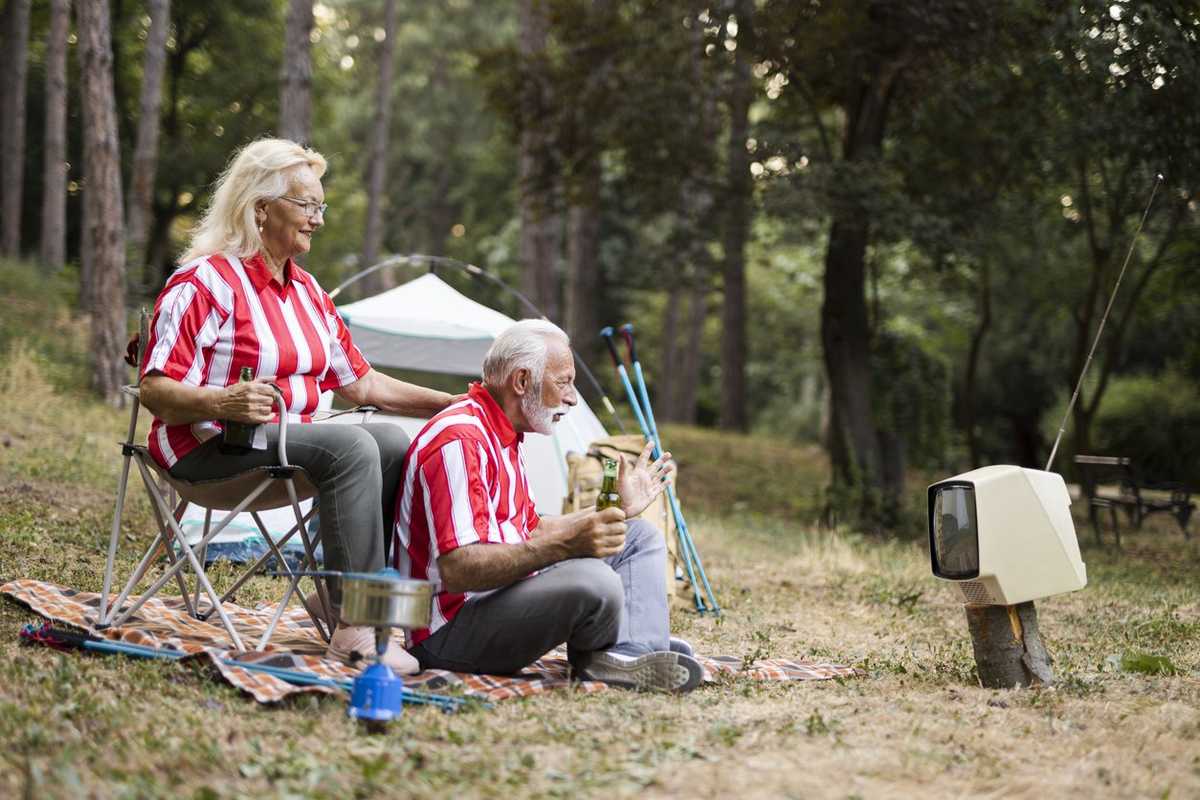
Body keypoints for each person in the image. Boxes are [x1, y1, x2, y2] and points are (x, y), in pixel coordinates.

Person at [138, 138, 454, 671]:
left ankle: (340, 599)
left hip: (285, 449)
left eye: (320, 207)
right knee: (352, 445)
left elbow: (362, 384)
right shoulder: (204, 283)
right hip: (210, 451)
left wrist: (449, 403)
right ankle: (358, 628)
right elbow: (155, 391)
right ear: (261, 208)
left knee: (392, 442)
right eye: (307, 205)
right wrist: (223, 401)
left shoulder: (309, 293)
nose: (318, 220)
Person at [393, 320, 703, 693]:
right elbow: (459, 570)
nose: (572, 398)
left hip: (497, 597)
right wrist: (566, 546)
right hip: (449, 634)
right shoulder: (460, 441)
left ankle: (630, 651)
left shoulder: (501, 432)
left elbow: (533, 528)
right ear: (522, 381)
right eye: (563, 383)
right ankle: (626, 644)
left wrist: (616, 508)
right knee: (595, 581)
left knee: (636, 536)